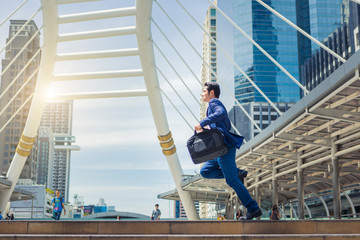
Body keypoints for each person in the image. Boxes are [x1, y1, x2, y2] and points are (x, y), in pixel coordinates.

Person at [196, 82, 262, 220]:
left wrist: (202, 122)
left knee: (231, 180)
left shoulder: (214, 103)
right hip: (217, 150)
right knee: (205, 171)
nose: (201, 93)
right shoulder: (211, 106)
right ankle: (237, 172)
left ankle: (253, 208)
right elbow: (221, 126)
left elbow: (221, 113)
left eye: (204, 91)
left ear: (211, 92)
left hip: (224, 148)